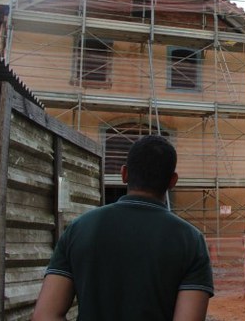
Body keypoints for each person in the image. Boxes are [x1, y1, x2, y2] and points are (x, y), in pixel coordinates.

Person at [32, 135, 214, 321]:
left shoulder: (78, 229)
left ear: (124, 174)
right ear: (173, 181)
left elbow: (45, 315)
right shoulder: (191, 241)